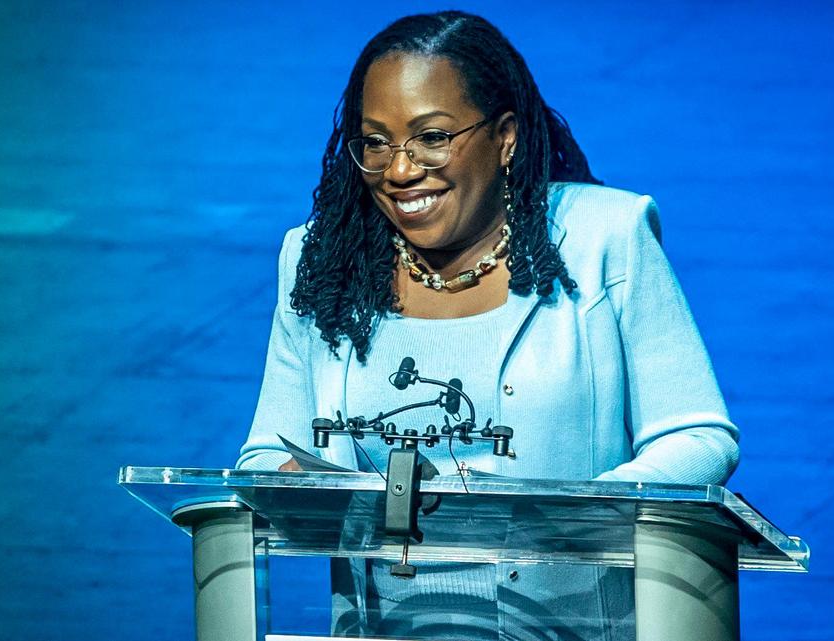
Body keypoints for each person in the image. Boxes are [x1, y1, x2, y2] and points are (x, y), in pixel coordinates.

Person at [236, 10, 739, 640]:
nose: (399, 171)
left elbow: (700, 438)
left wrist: (570, 520)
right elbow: (265, 453)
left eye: (432, 137)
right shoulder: (321, 262)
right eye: (375, 142)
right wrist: (296, 487)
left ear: (505, 137)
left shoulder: (603, 239)